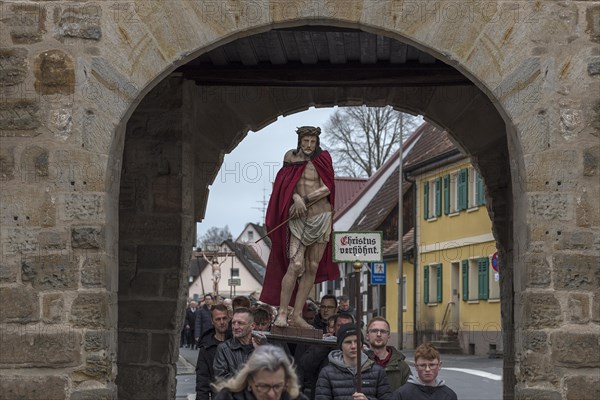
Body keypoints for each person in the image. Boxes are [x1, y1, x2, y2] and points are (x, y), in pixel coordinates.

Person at [259, 126, 339, 329]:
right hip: (298, 219)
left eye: (312, 141)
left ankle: (297, 314)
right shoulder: (290, 157)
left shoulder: (323, 158)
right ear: (299, 141)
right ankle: (283, 312)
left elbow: (328, 186)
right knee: (295, 265)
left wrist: (305, 199)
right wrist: (295, 197)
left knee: (312, 266)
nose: (309, 145)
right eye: (306, 141)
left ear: (317, 142)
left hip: (321, 216)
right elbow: (284, 184)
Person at [315, 324, 391, 400]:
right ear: (341, 345)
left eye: (356, 341)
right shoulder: (327, 373)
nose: (353, 346)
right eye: (348, 342)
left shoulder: (377, 371)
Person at [212, 344, 308, 400]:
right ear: (250, 380)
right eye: (264, 386)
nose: (271, 394)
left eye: (278, 386)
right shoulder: (228, 397)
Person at [296, 313, 355, 399]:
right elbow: (306, 365)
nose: (343, 329)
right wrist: (323, 346)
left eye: (347, 326)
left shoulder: (358, 347)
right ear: (334, 328)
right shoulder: (324, 343)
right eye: (340, 325)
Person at [391, 343, 457, 400]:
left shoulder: (449, 396)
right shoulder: (402, 395)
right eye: (422, 365)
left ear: (439, 366)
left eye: (432, 365)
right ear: (416, 366)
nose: (427, 369)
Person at [214, 307, 264, 379]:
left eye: (240, 323)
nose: (235, 327)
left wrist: (260, 352)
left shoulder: (262, 347)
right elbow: (221, 378)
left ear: (252, 326)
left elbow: (269, 375)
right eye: (233, 323)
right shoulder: (224, 348)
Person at [196, 304, 232, 399]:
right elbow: (202, 381)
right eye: (218, 319)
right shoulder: (206, 347)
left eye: (224, 318)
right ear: (212, 321)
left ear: (228, 319)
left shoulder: (236, 342)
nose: (222, 322)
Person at [365, 317, 411, 391]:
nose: (379, 334)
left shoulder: (402, 367)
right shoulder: (360, 363)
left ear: (388, 335)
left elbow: (409, 394)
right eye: (374, 331)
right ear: (367, 335)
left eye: (383, 331)